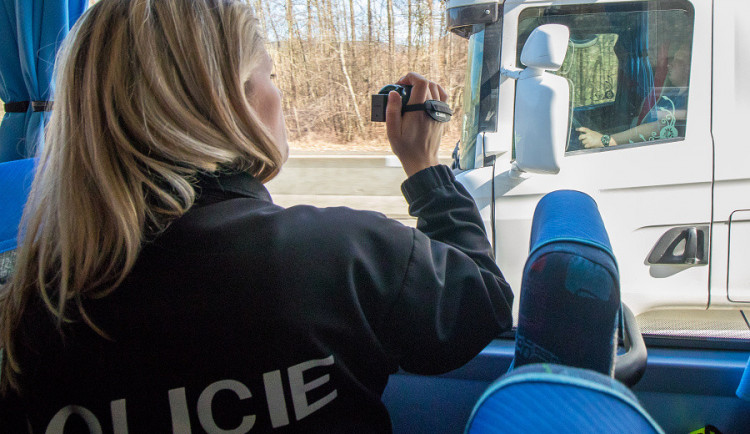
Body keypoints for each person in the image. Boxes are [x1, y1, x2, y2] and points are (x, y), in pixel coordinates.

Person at [0, 0, 513, 432]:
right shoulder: (343, 256)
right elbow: (481, 305)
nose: (278, 91)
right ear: (229, 102)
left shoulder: (27, 307)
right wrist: (424, 169)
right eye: (268, 73)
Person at [576, 43, 690, 149]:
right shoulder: (669, 93)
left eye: (679, 61)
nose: (670, 64)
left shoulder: (687, 102)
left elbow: (658, 127)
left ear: (689, 68)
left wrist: (605, 140)